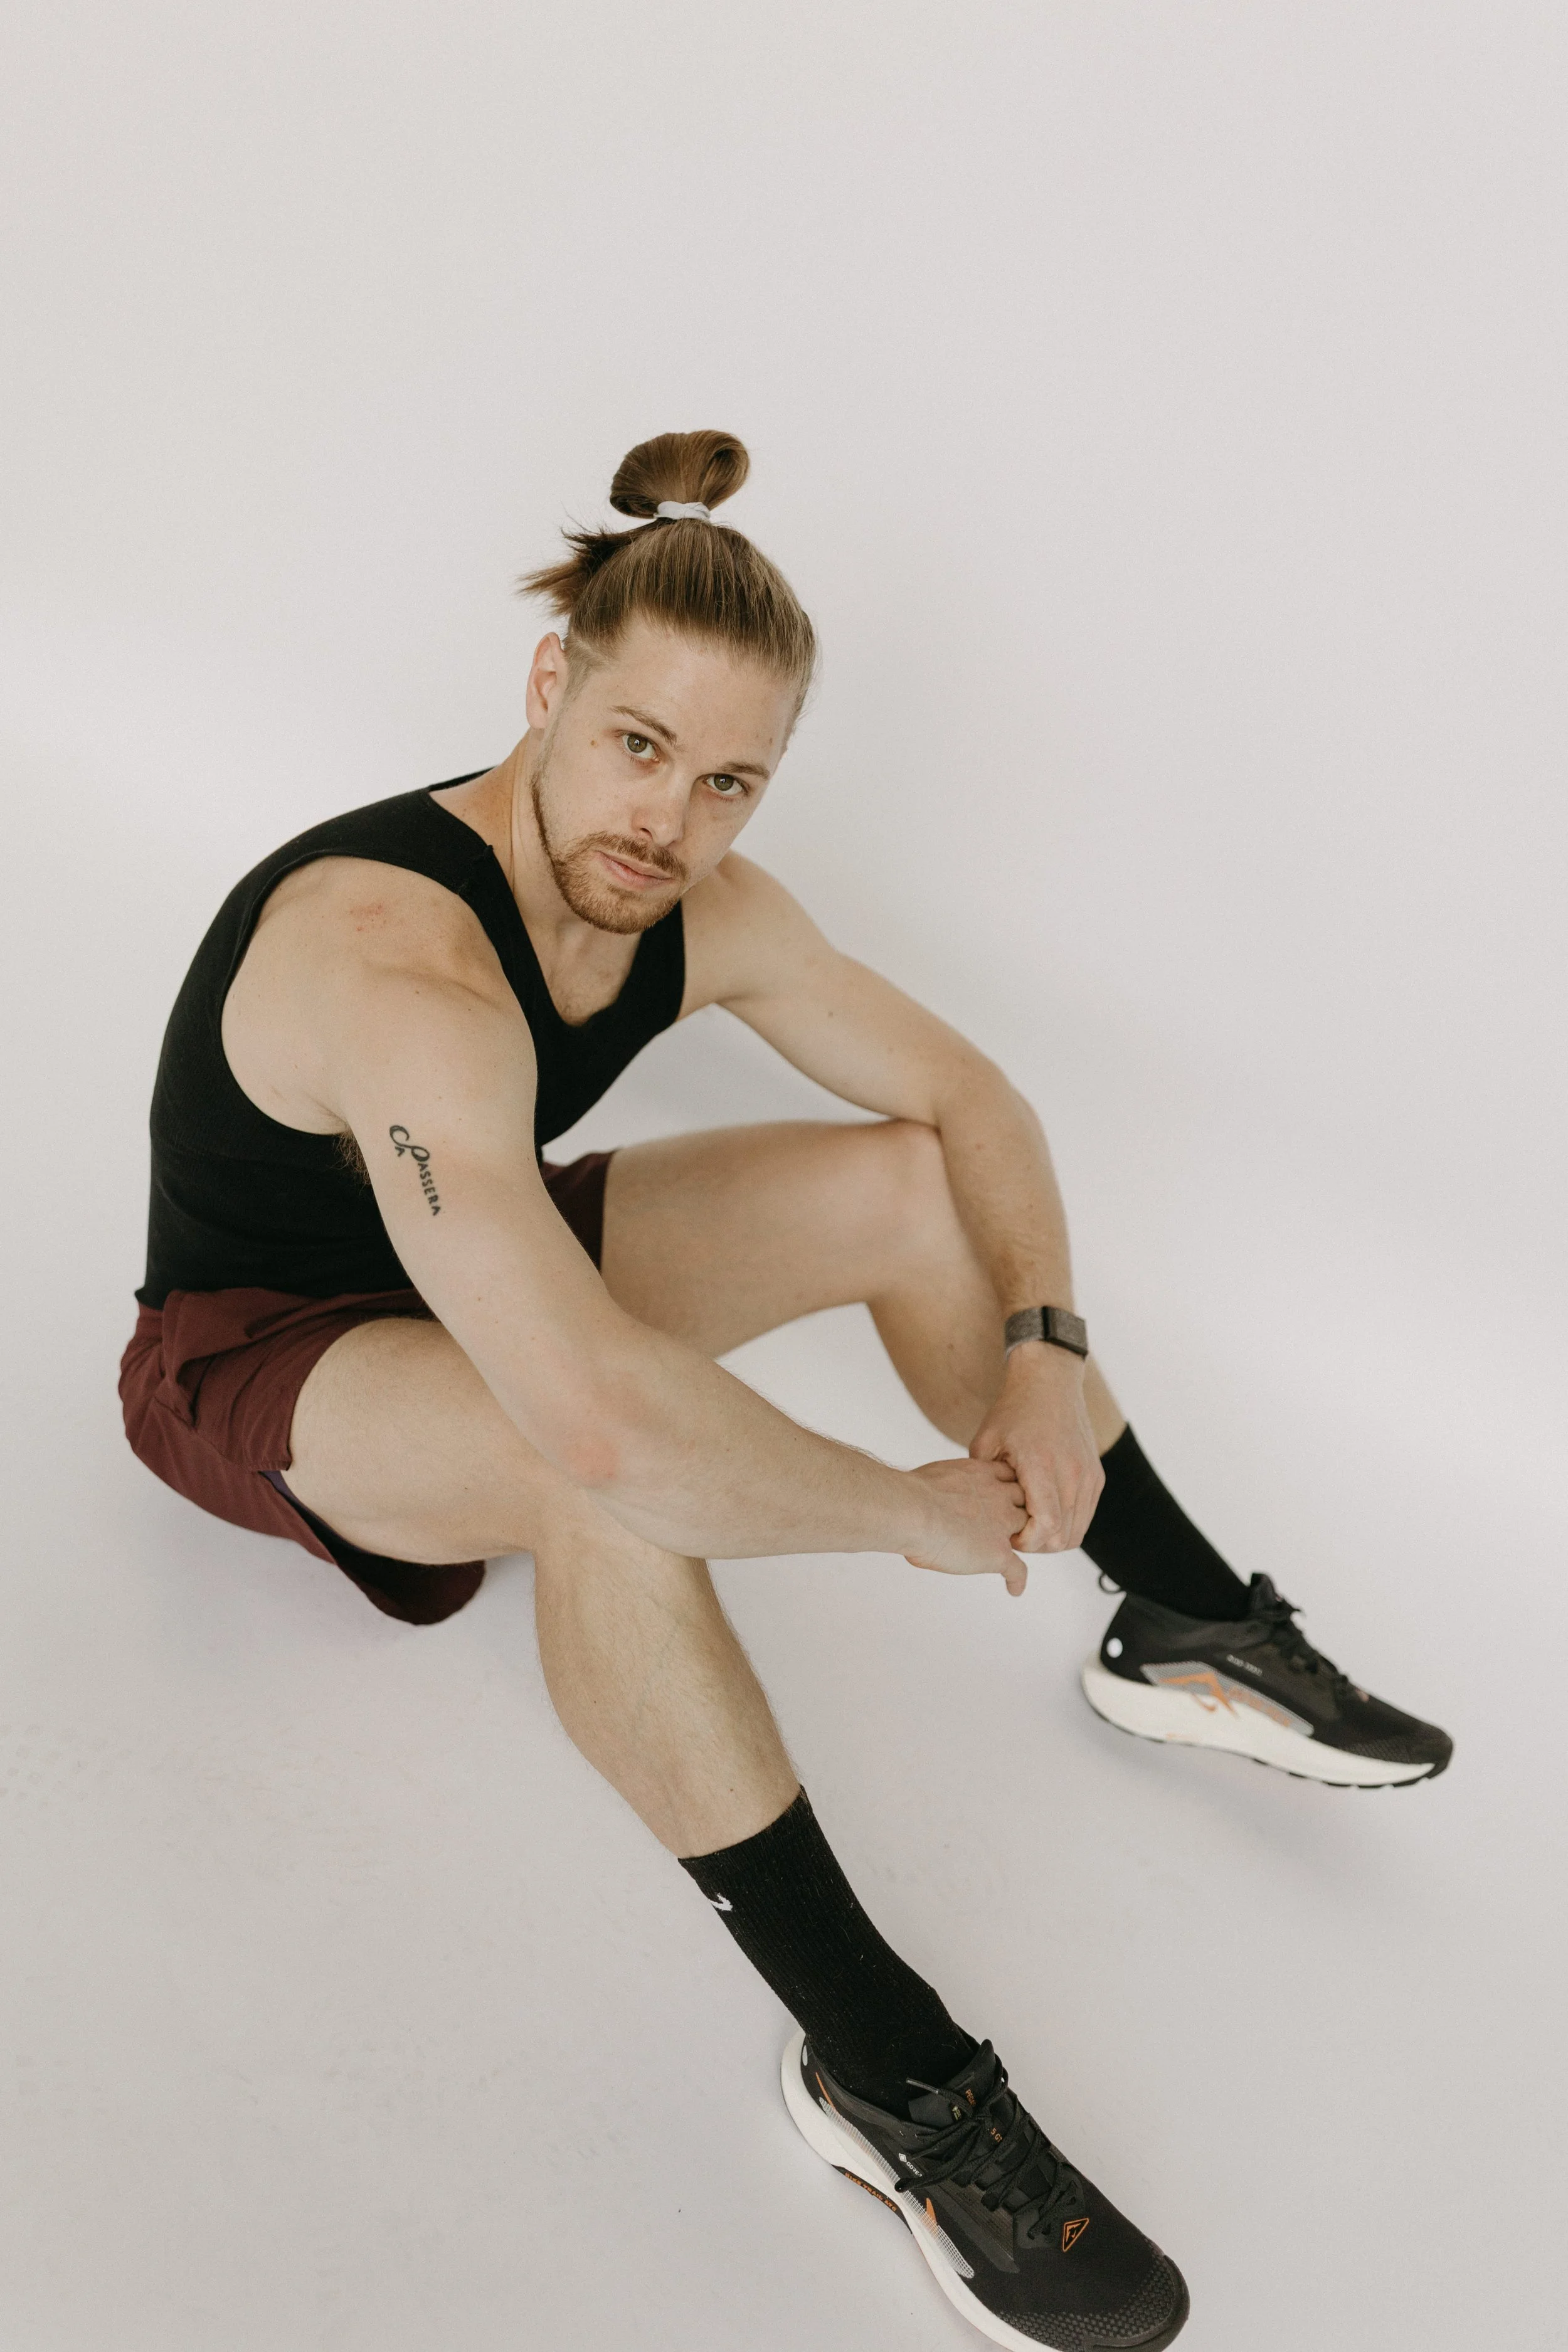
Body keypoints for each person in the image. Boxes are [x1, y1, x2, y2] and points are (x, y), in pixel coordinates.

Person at [119, 430, 1450, 2352]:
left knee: (903, 1186)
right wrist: (906, 1510)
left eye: (729, 778)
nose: (670, 820)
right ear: (547, 689)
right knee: (603, 1477)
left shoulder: (696, 906)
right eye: (638, 743)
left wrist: (1044, 1351)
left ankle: (1174, 1617)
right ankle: (884, 2070)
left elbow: (971, 1102)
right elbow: (590, 1418)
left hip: (491, 1244)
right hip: (261, 1351)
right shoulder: (391, 961)